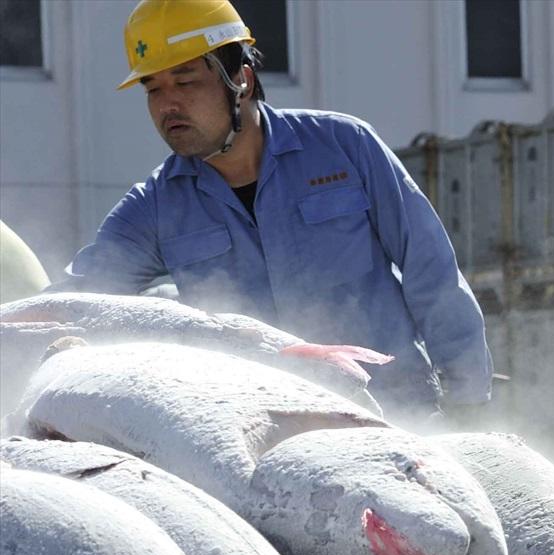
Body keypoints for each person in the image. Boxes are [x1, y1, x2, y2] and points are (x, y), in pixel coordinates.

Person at [58, 0, 491, 417]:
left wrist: (467, 401)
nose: (167, 104)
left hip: (398, 416)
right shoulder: (154, 206)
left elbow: (431, 272)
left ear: (241, 79)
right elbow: (76, 302)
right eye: (153, 89)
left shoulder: (345, 147)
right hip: (268, 436)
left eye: (185, 81)